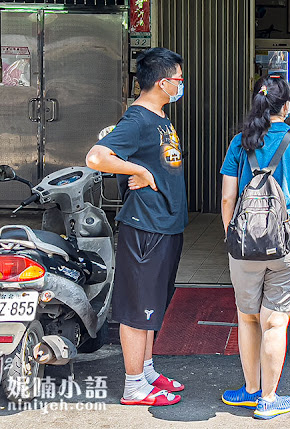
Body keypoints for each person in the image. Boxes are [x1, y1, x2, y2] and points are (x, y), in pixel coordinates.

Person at [219, 74, 290, 420]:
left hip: (245, 247)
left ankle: (249, 391)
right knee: (276, 322)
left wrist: (232, 237)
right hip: (289, 243)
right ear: (288, 107)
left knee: (248, 319)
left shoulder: (241, 141)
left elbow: (227, 198)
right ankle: (268, 399)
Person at [85, 47, 188, 407]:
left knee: (153, 303)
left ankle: (147, 370)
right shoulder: (138, 119)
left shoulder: (159, 116)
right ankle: (133, 387)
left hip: (165, 225)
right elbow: (97, 157)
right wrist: (139, 171)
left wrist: (146, 170)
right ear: (162, 82)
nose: (181, 84)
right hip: (145, 225)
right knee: (137, 307)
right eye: (178, 79)